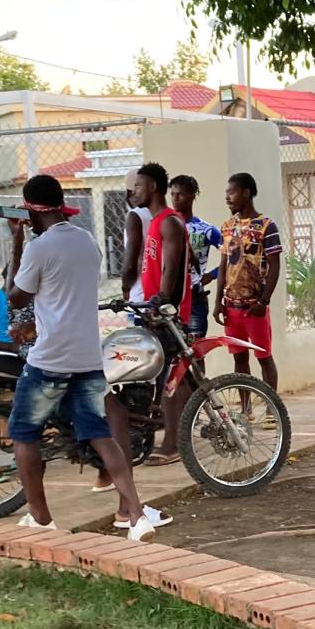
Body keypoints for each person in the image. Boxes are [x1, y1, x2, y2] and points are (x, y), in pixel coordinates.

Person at [6, 174, 155, 541]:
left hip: (49, 359)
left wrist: (16, 244)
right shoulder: (87, 241)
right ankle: (136, 516)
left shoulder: (38, 248)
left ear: (30, 212)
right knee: (100, 435)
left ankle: (41, 517)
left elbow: (16, 296)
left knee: (24, 434)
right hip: (88, 358)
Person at [136, 162, 191, 466]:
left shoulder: (169, 222)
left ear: (153, 187)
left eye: (139, 186)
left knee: (172, 379)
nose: (135, 191)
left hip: (168, 312)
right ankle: (184, 433)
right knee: (177, 379)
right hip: (156, 310)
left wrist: (159, 303)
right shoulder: (157, 222)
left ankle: (172, 444)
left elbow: (170, 269)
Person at [214, 173, 282, 403]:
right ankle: (246, 408)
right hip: (232, 306)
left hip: (254, 307)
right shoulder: (227, 227)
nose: (227, 198)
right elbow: (223, 265)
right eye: (226, 194)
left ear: (246, 193)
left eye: (231, 192)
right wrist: (218, 302)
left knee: (264, 357)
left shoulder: (266, 226)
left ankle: (272, 407)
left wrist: (264, 301)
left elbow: (274, 266)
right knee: (239, 359)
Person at [170, 174, 222, 339]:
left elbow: (234, 257)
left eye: (180, 194)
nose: (175, 198)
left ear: (193, 195)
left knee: (196, 351)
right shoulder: (164, 226)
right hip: (169, 299)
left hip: (194, 298)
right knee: (171, 351)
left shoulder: (206, 229)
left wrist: (212, 275)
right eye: (172, 194)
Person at [120, 168, 153, 304]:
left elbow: (132, 261)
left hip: (141, 293)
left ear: (130, 193)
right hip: (162, 292)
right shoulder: (163, 215)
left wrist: (125, 286)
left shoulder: (136, 216)